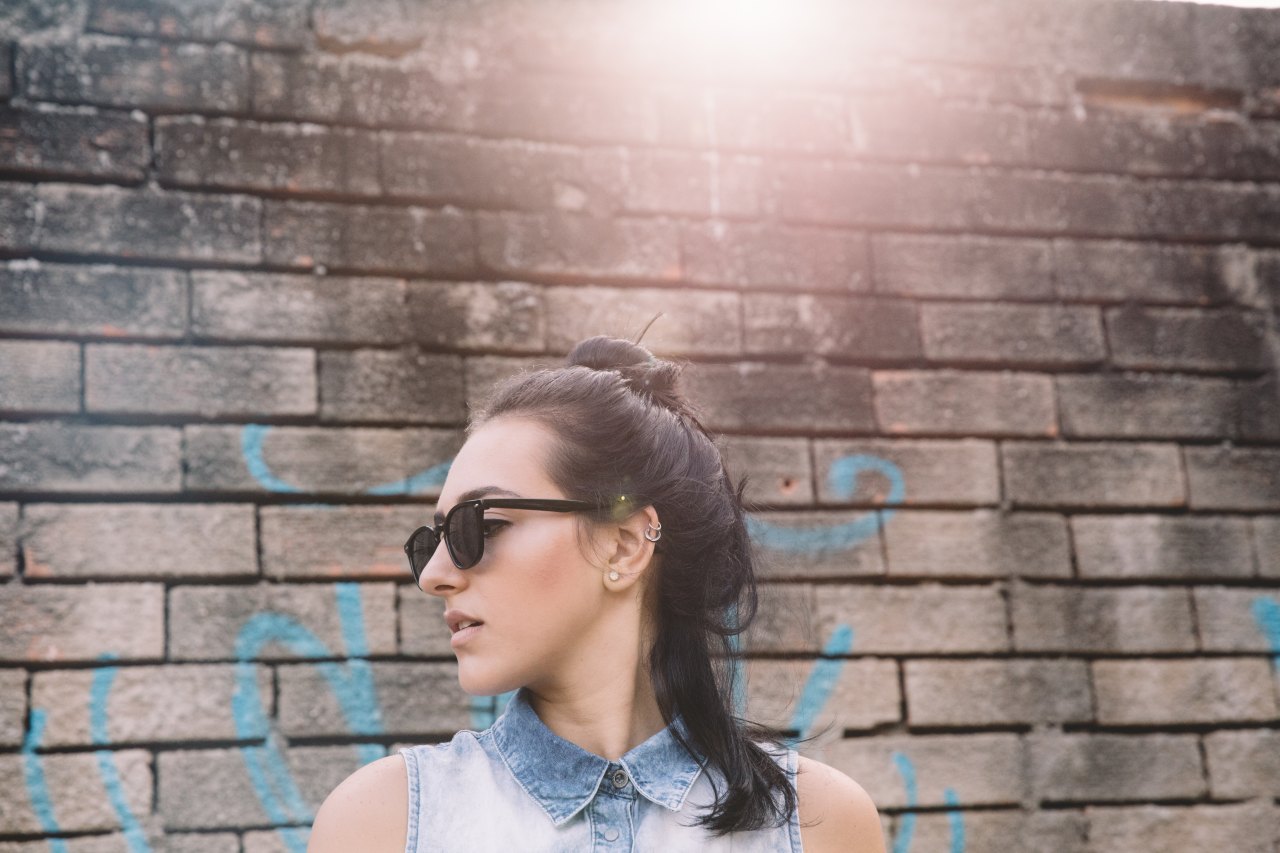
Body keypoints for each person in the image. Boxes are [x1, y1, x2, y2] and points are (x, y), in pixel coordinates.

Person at [307, 335, 885, 852]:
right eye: (430, 540)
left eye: (480, 527)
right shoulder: (382, 824)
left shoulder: (817, 825)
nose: (434, 573)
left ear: (626, 545)